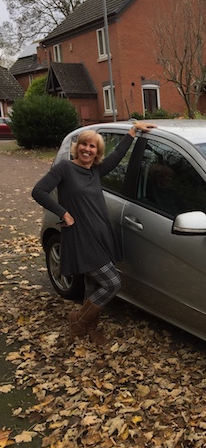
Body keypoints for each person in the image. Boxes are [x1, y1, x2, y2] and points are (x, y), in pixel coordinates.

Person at [32, 120, 156, 345]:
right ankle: (78, 321)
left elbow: (118, 155)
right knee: (112, 283)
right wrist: (64, 213)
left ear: (97, 152)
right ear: (77, 146)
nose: (87, 149)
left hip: (100, 234)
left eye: (93, 147)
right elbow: (38, 191)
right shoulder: (65, 168)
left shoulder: (96, 171)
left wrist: (133, 131)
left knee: (93, 284)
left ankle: (90, 329)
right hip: (81, 236)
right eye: (84, 145)